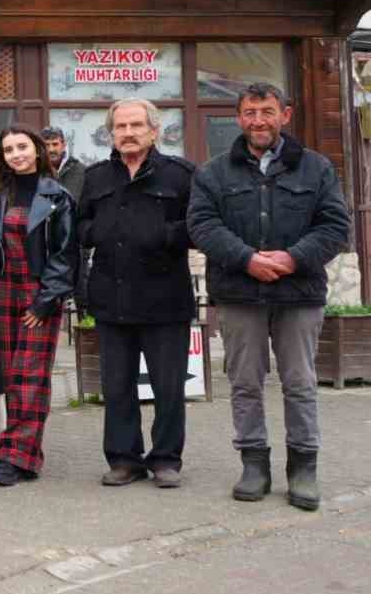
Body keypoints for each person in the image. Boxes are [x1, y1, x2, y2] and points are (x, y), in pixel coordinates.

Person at [188, 83, 350, 511]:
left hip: (299, 295)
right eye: (249, 112)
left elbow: (335, 226)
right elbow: (202, 226)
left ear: (286, 114)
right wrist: (247, 259)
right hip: (241, 293)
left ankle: (303, 467)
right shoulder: (214, 172)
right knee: (244, 384)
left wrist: (293, 259)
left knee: (300, 384)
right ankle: (254, 463)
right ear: (238, 118)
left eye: (266, 111)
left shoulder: (317, 168)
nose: (258, 120)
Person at [77, 99, 196, 490]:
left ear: (154, 130)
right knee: (116, 387)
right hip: (112, 299)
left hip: (165, 300)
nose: (127, 133)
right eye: (120, 126)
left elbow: (199, 226)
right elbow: (80, 226)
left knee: (168, 387)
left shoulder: (180, 175)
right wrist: (97, 233)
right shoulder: (95, 177)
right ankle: (124, 460)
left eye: (135, 125)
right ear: (111, 132)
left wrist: (162, 235)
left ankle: (165, 460)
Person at [0, 125, 76, 486]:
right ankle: (23, 454)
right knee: (8, 377)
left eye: (22, 147)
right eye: (9, 150)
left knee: (29, 378)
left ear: (36, 150)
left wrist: (46, 300)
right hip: (1, 292)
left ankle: (15, 456)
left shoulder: (57, 196)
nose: (16, 154)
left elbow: (66, 254)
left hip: (37, 294)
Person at [40, 127, 86, 203]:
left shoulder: (81, 171)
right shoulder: (36, 170)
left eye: (55, 144)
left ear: (63, 145)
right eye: (46, 145)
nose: (51, 149)